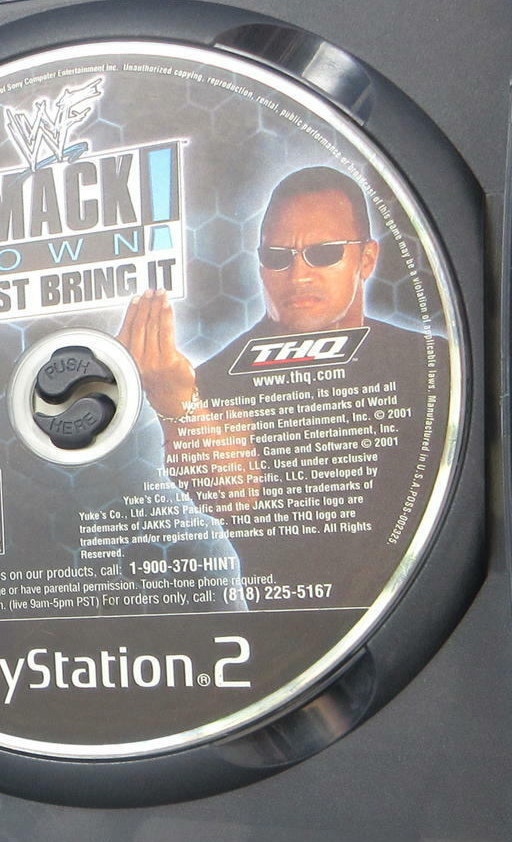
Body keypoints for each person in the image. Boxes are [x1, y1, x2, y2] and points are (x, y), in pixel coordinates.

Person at [118, 164, 433, 575]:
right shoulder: (216, 380)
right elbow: (234, 496)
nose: (299, 275)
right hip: (299, 613)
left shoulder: (428, 362)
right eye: (277, 257)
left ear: (367, 258)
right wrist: (175, 402)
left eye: (324, 253)